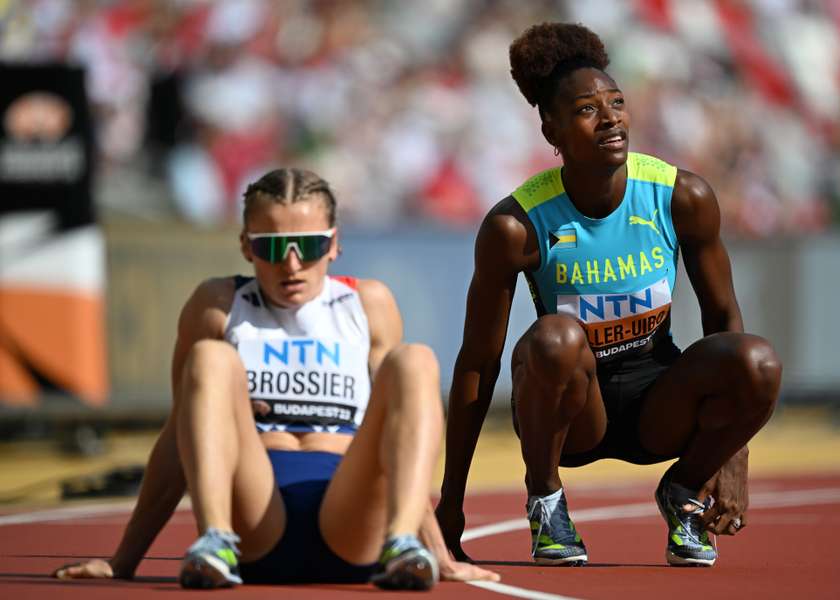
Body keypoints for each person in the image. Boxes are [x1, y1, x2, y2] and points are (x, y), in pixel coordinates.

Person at [436, 22, 782, 568]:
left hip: (657, 405)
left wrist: (733, 456)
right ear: (552, 131)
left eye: (616, 102)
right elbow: (477, 364)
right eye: (586, 110)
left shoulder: (681, 195)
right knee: (555, 337)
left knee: (757, 361)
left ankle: (682, 492)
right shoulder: (516, 224)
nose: (611, 118)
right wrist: (449, 503)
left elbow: (722, 315)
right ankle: (546, 501)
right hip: (572, 412)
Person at [53, 168, 499, 589]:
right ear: (246, 247)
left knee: (416, 361)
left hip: (350, 514)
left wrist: (438, 553)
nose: (290, 265)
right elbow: (179, 436)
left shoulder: (368, 304)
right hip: (254, 515)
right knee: (210, 357)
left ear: (334, 245)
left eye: (307, 246)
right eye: (271, 247)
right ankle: (214, 541)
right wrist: (122, 561)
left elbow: (399, 437)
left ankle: (403, 545)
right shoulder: (217, 304)